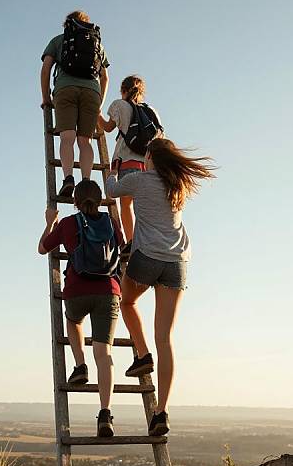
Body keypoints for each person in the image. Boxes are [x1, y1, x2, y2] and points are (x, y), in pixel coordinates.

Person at [105, 138, 216, 436]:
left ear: (151, 157)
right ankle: (161, 412)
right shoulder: (177, 186)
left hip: (148, 257)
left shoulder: (140, 180)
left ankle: (142, 355)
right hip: (177, 262)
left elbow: (112, 192)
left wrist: (113, 169)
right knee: (165, 338)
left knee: (127, 302)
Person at [38, 180, 123, 437]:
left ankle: (79, 366)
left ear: (75, 201)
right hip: (108, 291)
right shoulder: (110, 222)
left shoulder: (67, 223)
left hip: (77, 290)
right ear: (99, 200)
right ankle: (105, 414)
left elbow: (42, 248)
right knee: (104, 353)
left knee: (73, 321)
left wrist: (50, 221)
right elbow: (123, 248)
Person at [41, 11, 110, 198]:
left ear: (67, 24)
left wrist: (46, 97)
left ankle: (68, 178)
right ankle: (86, 181)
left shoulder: (58, 40)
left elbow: (46, 68)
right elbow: (105, 77)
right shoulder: (97, 45)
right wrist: (100, 104)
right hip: (92, 92)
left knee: (67, 137)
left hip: (65, 89)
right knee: (85, 141)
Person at [98, 75, 162, 252]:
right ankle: (147, 241)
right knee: (144, 206)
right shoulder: (151, 111)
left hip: (126, 161)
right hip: (148, 164)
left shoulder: (119, 105)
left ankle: (132, 241)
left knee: (126, 205)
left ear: (123, 90)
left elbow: (108, 127)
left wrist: (97, 114)